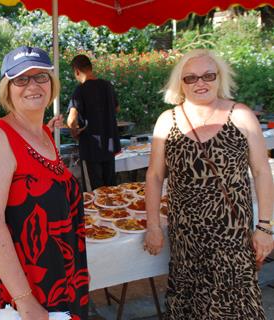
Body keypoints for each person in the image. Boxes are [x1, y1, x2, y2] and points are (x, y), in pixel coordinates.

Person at [143, 49, 274, 319]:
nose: (200, 83)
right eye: (190, 78)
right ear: (180, 83)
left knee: (234, 306)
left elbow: (262, 171)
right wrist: (153, 225)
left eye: (208, 75)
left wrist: (265, 227)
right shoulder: (167, 121)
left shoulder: (241, 116)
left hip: (232, 236)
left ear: (219, 78)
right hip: (186, 237)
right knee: (190, 304)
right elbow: (155, 177)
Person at [0, 46, 89, 320]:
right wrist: (25, 303)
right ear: (7, 89)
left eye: (41, 77)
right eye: (21, 79)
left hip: (65, 282)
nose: (32, 85)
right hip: (33, 293)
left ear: (52, 82)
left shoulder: (43, 135)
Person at [67, 54, 121, 191]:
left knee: (95, 192)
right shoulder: (107, 86)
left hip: (91, 148)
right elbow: (117, 108)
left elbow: (72, 119)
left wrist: (74, 132)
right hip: (109, 145)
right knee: (111, 188)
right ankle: (114, 211)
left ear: (77, 71)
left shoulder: (80, 90)